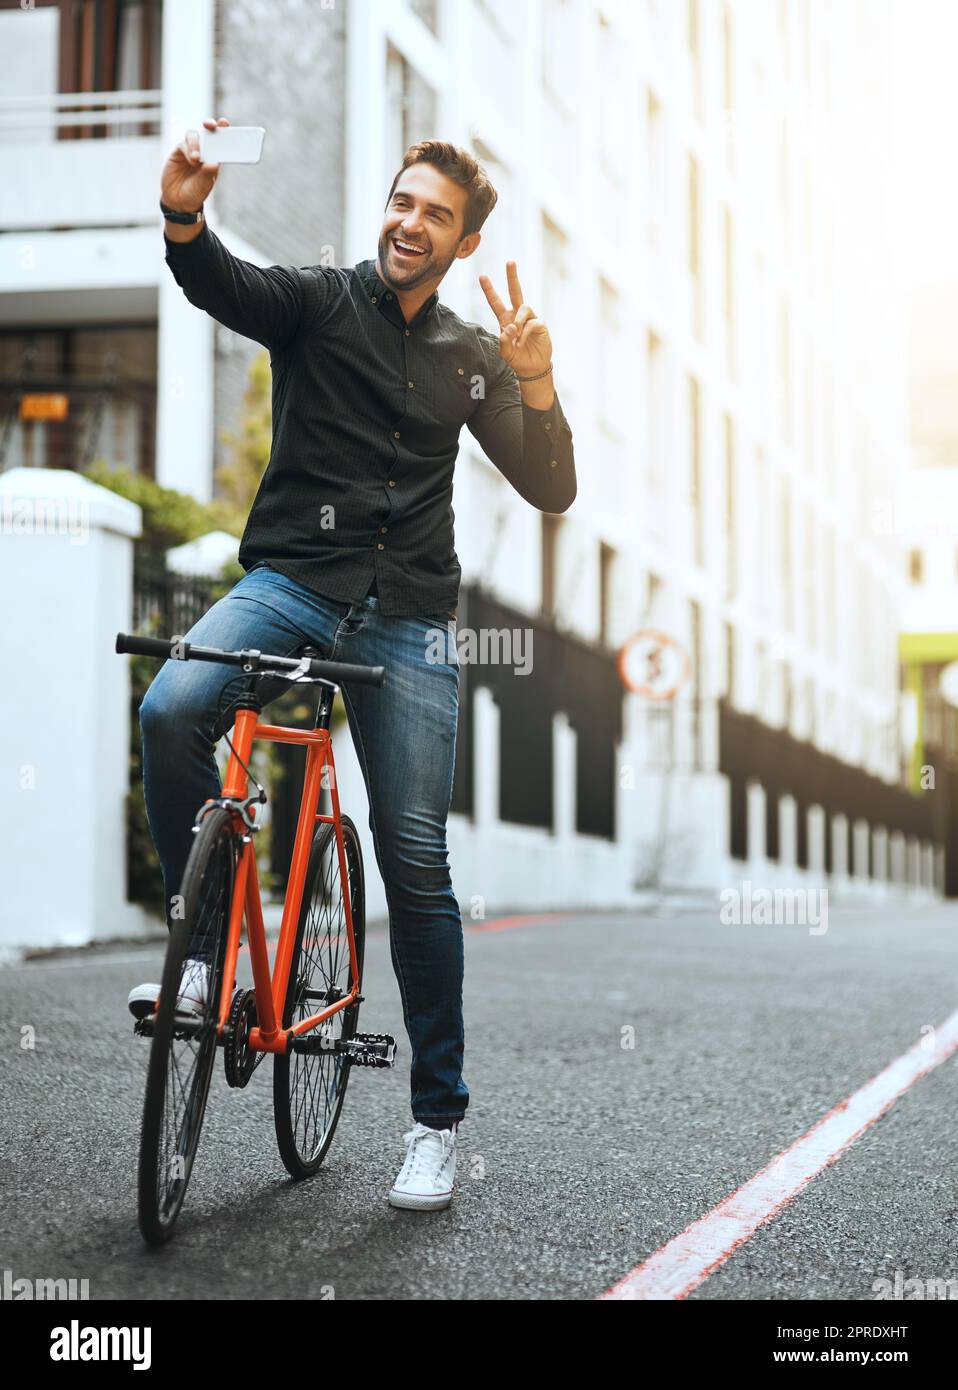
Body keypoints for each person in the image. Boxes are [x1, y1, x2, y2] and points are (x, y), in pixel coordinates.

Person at [127, 117, 577, 1210]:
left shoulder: (473, 359)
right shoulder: (321, 303)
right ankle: (202, 956)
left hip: (411, 619)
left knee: (414, 856)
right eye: (401, 201)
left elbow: (550, 487)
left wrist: (538, 385)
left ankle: (434, 1122)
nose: (409, 222)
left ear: (463, 241)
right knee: (173, 703)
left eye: (434, 213)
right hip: (292, 584)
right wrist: (185, 214)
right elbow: (219, 283)